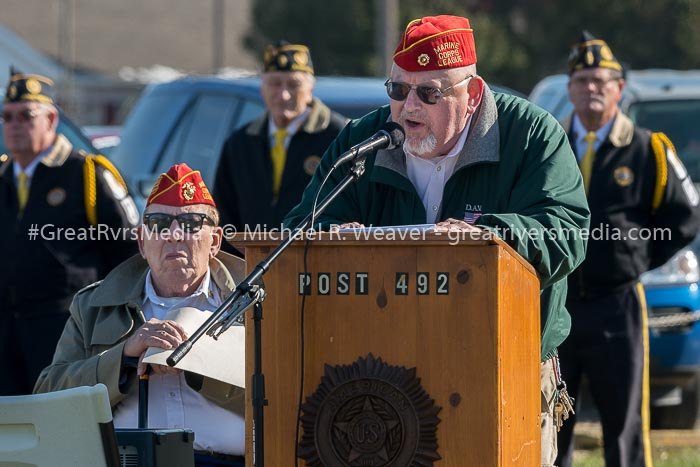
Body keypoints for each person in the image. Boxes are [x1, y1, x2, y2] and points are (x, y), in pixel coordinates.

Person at [285, 15, 590, 466]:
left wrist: (487, 239)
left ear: (472, 95)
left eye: (428, 93)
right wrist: (332, 241)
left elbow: (566, 231)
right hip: (380, 376)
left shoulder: (531, 135)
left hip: (500, 370)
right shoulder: (363, 141)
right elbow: (298, 230)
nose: (408, 108)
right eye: (397, 90)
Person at [35, 163, 247, 466]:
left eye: (189, 223)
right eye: (159, 223)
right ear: (142, 242)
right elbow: (48, 394)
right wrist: (123, 359)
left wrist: (203, 365)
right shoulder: (94, 305)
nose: (173, 235)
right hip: (129, 460)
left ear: (214, 241)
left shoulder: (254, 301)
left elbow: (287, 395)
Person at [555, 32, 700, 467]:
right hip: (559, 305)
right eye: (583, 81)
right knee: (550, 421)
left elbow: (687, 215)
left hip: (616, 306)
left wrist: (636, 256)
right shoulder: (552, 144)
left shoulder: (647, 148)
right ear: (570, 90)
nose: (592, 88)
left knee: (624, 426)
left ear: (620, 88)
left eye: (602, 80)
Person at [0, 68, 139, 396]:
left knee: (59, 423)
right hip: (7, 331)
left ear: (50, 120)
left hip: (65, 329)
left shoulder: (86, 174)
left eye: (25, 116)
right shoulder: (3, 177)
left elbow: (128, 249)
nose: (15, 125)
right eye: (7, 116)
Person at [213, 40, 347, 248]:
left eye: (294, 85)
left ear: (310, 88)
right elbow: (225, 217)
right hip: (251, 270)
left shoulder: (339, 137)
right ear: (262, 88)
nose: (283, 95)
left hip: (315, 266)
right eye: (275, 83)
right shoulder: (240, 143)